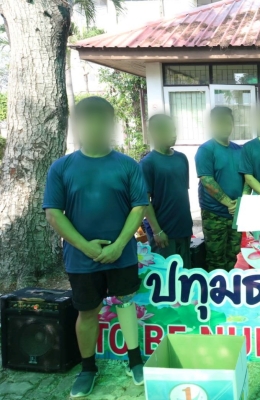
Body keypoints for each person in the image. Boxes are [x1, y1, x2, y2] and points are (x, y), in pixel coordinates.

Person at [43, 97, 148, 397]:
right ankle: (88, 368)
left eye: (101, 121)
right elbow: (54, 214)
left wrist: (119, 245)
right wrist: (86, 247)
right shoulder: (61, 168)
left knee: (126, 303)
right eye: (88, 122)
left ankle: (135, 361)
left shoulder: (127, 165)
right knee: (88, 311)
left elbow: (139, 207)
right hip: (81, 259)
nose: (95, 128)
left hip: (121, 255)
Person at [195, 106, 250, 271]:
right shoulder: (205, 150)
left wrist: (242, 201)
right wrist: (229, 203)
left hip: (236, 213)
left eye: (227, 122)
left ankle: (229, 283)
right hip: (214, 214)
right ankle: (215, 286)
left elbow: (248, 178)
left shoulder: (239, 150)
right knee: (216, 258)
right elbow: (207, 181)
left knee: (233, 255)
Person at [140, 114, 193, 268]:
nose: (173, 134)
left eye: (174, 130)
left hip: (183, 228)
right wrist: (156, 231)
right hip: (163, 232)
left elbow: (181, 194)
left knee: (184, 273)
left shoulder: (182, 158)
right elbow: (144, 201)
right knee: (165, 274)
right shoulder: (147, 163)